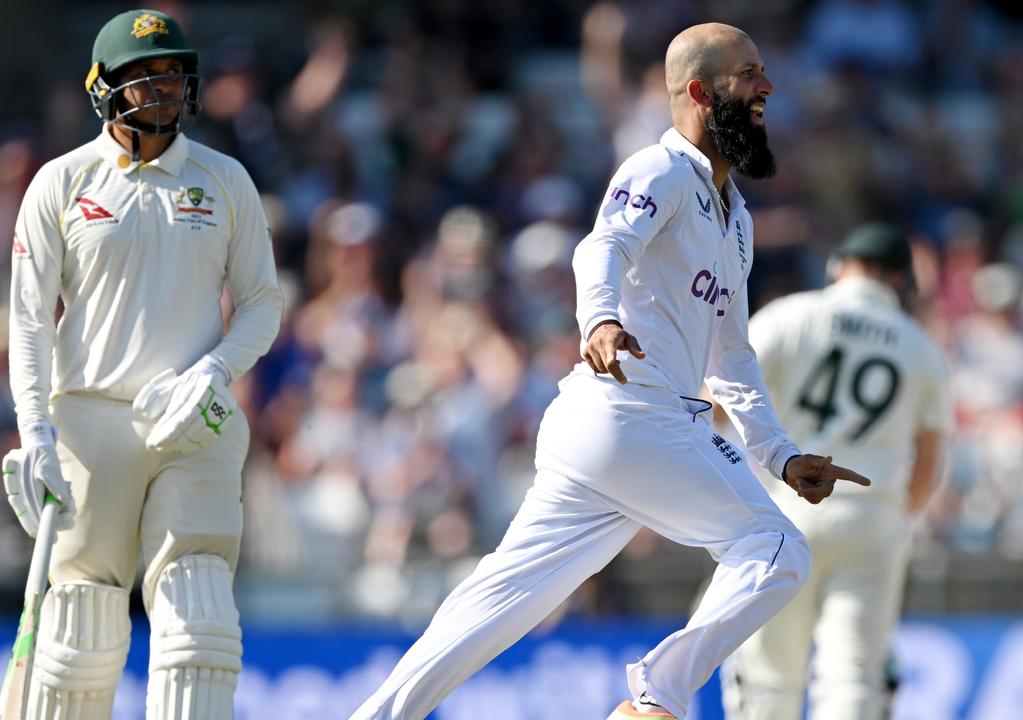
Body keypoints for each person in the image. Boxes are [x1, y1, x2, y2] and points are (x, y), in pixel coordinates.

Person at [350, 22, 871, 720]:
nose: (767, 87)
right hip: (637, 414)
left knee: (496, 601)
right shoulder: (658, 169)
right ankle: (658, 696)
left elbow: (733, 355)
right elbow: (600, 249)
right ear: (698, 91)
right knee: (777, 548)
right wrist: (597, 319)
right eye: (748, 75)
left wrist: (779, 456)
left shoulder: (737, 216)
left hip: (607, 432)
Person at [2, 9, 282, 719]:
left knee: (199, 624)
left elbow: (261, 303)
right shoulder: (62, 183)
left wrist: (213, 373)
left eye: (171, 72)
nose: (162, 87)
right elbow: (30, 320)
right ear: (105, 87)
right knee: (80, 633)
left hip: (195, 419)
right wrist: (35, 433)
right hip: (90, 423)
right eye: (144, 75)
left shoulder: (224, 180)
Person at [720, 224, 951, 720]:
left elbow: (716, 405)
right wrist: (892, 519)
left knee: (767, 678)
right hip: (872, 515)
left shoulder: (789, 316)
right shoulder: (922, 348)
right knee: (852, 677)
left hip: (780, 510)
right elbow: (928, 463)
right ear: (899, 281)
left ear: (839, 266)